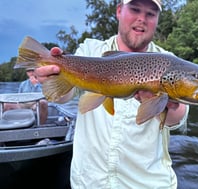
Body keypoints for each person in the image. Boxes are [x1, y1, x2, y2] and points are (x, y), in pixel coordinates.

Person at [35, 0, 189, 188]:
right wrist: (50, 76)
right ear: (119, 11)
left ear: (157, 19)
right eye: (135, 9)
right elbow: (64, 96)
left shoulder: (169, 62)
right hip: (89, 182)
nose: (142, 18)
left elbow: (176, 117)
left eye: (150, 14)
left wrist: (169, 104)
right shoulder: (90, 50)